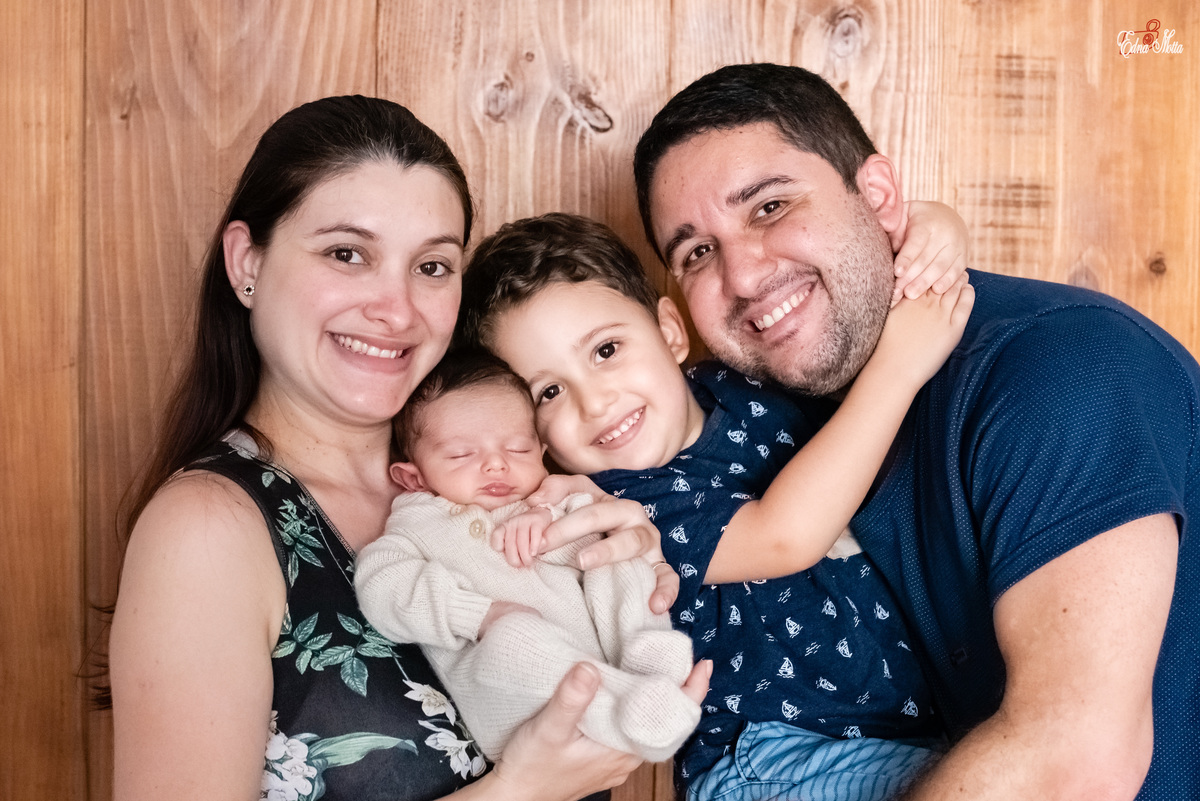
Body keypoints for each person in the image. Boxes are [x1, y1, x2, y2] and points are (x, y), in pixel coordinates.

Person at [108, 95, 707, 801]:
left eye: (432, 266)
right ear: (247, 261)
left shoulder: (508, 471)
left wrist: (631, 547)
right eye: (347, 253)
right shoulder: (206, 530)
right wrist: (518, 791)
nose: (395, 310)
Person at [632, 63, 1199, 801]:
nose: (740, 276)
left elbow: (1070, 763)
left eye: (770, 206)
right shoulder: (765, 419)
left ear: (877, 196)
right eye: (696, 254)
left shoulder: (1062, 367)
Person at [456, 211, 973, 800]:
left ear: (669, 331)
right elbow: (783, 536)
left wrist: (936, 234)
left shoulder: (740, 383)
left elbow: (859, 281)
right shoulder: (614, 508)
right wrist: (898, 370)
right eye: (548, 391)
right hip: (767, 757)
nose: (594, 402)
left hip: (898, 732)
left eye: (606, 350)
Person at [354, 350, 700, 762]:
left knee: (613, 551)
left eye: (518, 450)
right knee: (513, 636)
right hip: (515, 706)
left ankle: (650, 660)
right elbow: (381, 586)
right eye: (462, 455)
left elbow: (593, 554)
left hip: (613, 662)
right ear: (414, 478)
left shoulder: (548, 502)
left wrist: (550, 519)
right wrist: (477, 615)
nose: (496, 465)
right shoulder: (418, 528)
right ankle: (632, 711)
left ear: (541, 452)